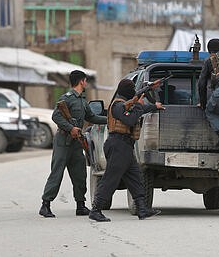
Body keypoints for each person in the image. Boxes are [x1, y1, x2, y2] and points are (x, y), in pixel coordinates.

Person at [89, 78, 164, 222]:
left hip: (125, 146)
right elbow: (130, 120)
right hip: (118, 144)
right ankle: (96, 209)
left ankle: (142, 209)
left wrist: (154, 106)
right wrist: (139, 105)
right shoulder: (117, 105)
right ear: (126, 91)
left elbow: (137, 109)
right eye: (131, 89)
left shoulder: (125, 104)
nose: (133, 91)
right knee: (111, 178)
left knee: (135, 177)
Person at [39, 70, 107, 218]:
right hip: (63, 141)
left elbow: (92, 117)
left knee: (79, 174)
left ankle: (80, 205)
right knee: (57, 173)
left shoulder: (82, 100)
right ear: (81, 81)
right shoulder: (67, 98)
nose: (86, 83)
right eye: (85, 81)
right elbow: (56, 116)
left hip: (77, 143)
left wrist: (110, 120)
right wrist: (70, 128)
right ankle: (45, 205)